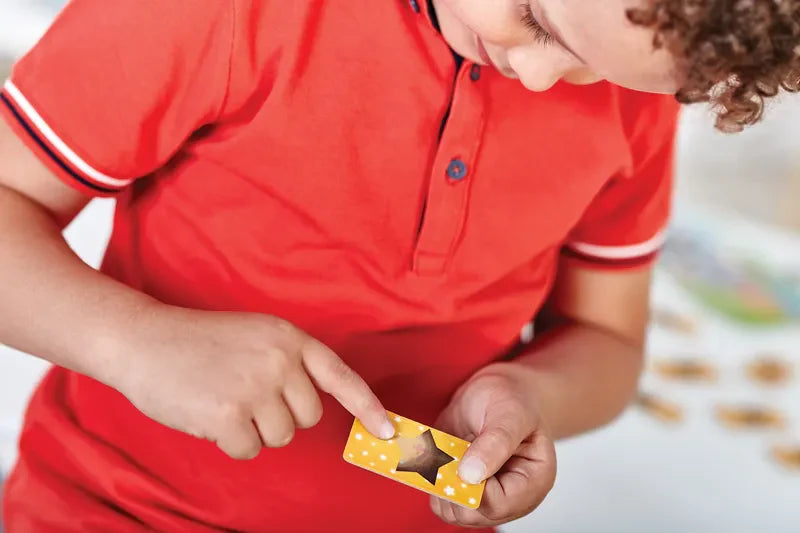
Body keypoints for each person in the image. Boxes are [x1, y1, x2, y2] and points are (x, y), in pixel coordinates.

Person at [0, 0, 797, 531]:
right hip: (106, 507)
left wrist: (532, 392)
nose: (544, 77)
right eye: (535, 17)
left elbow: (605, 337)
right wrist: (136, 343)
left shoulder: (631, 96)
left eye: (595, 67)